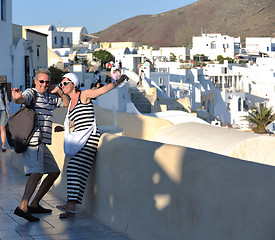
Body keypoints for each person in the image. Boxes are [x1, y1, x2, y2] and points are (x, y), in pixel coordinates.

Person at [56, 72, 128, 218]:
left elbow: (101, 90)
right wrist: (63, 128)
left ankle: (71, 203)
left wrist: (118, 81)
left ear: (73, 84)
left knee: (73, 166)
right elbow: (74, 122)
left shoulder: (84, 95)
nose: (62, 86)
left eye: (65, 83)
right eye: (61, 84)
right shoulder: (70, 103)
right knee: (81, 171)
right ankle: (72, 206)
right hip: (79, 138)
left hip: (90, 137)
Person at [12, 69, 70, 222]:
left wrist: (59, 91)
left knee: (54, 172)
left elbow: (67, 104)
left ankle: (35, 204)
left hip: (43, 142)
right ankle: (23, 206)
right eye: (41, 81)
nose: (44, 84)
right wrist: (17, 98)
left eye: (47, 82)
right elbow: (23, 99)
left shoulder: (50, 97)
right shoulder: (32, 93)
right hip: (34, 141)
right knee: (36, 172)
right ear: (35, 81)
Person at [0, 83, 10, 152]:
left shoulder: (2, 89)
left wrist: (7, 111)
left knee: (2, 127)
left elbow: (6, 101)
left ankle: (3, 145)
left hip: (3, 110)